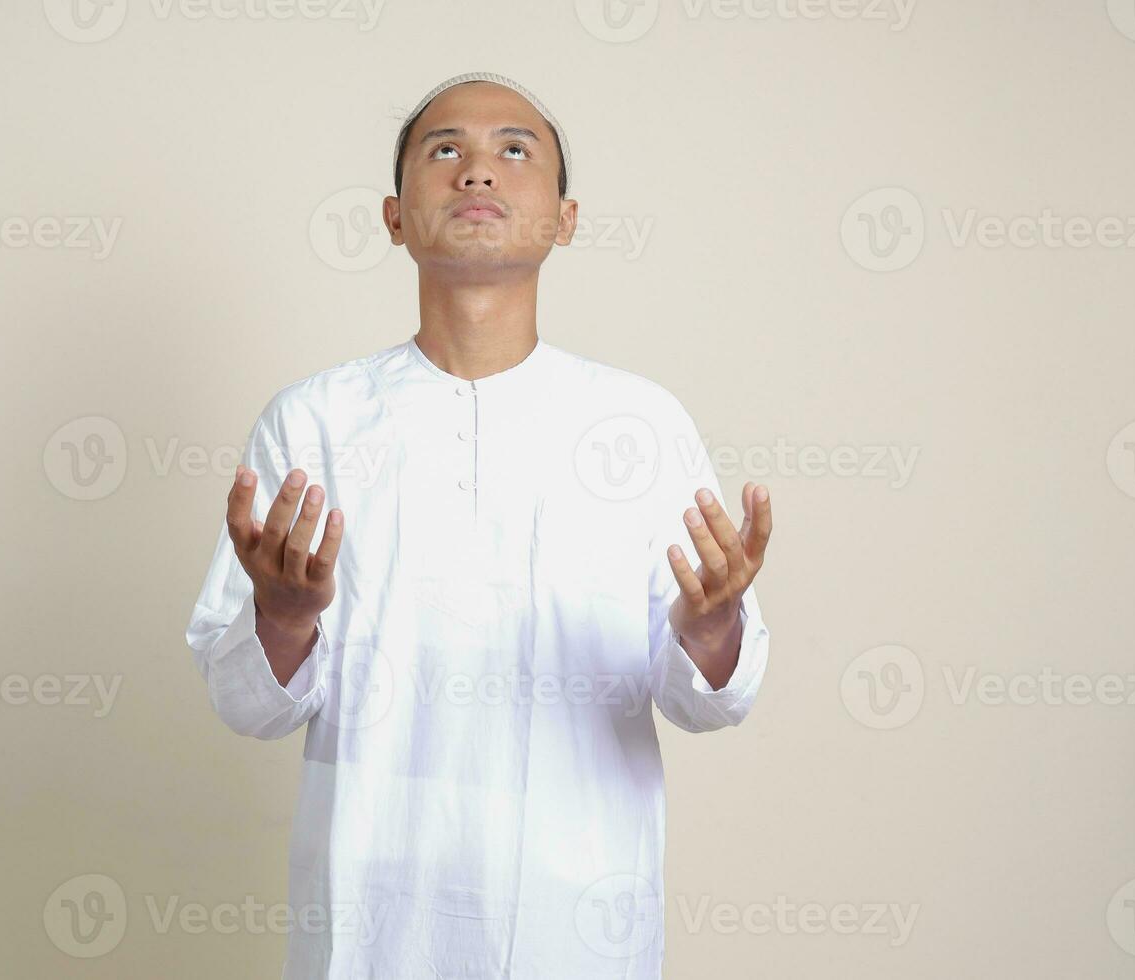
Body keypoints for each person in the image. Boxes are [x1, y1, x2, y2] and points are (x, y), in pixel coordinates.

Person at [186, 70, 774, 979]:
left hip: (580, 927)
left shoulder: (637, 425)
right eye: (446, 150)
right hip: (375, 927)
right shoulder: (315, 425)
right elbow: (245, 704)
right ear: (393, 216)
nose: (478, 174)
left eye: (514, 150)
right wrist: (285, 619)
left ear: (565, 217)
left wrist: (712, 630)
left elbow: (708, 698)